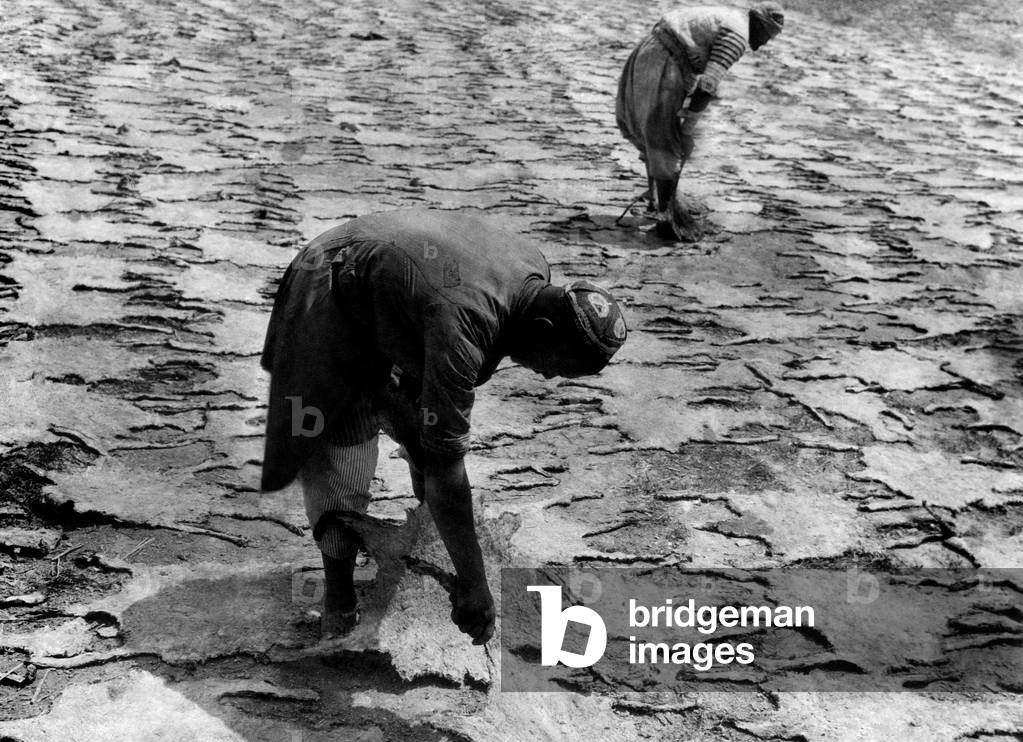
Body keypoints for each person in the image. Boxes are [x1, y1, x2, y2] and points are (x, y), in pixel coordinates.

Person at [260, 209, 627, 644]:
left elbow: (431, 426)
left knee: (423, 436)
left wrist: (427, 463)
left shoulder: (534, 271)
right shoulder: (464, 325)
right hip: (328, 285)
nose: (548, 378)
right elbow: (447, 470)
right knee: (344, 457)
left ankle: (415, 554)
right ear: (544, 329)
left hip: (394, 292)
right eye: (558, 368)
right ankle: (338, 606)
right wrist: (475, 583)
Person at [616, 2, 784, 240]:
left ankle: (657, 201)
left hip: (651, 49)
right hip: (663, 59)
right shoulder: (738, 35)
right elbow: (708, 85)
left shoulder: (729, 17)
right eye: (768, 36)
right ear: (760, 24)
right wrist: (687, 130)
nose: (765, 43)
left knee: (655, 133)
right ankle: (666, 214)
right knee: (664, 138)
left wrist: (687, 125)